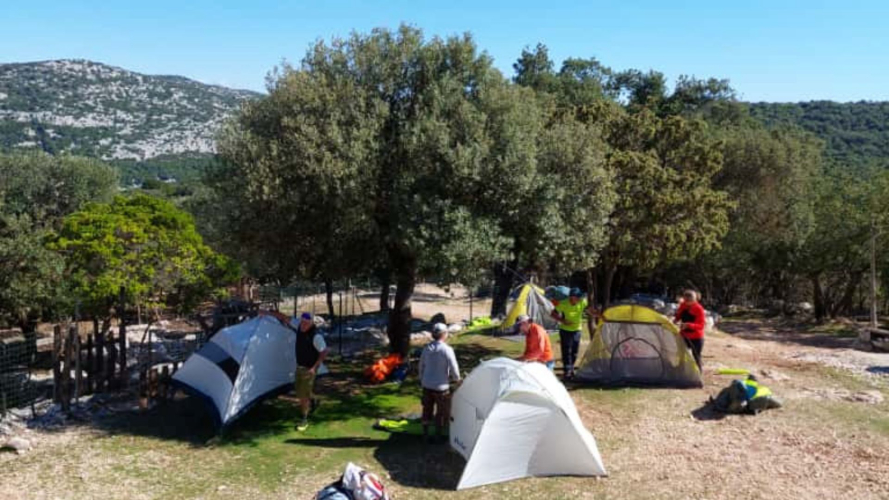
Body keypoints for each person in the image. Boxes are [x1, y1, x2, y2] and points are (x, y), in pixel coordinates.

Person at [418, 323, 461, 443]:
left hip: (427, 385)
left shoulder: (427, 348)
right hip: (441, 387)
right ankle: (438, 435)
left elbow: (421, 365)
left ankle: (425, 434)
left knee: (427, 409)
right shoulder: (447, 350)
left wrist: (421, 380)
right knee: (441, 412)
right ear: (443, 334)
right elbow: (454, 367)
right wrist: (457, 380)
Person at [291, 312, 329, 431]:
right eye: (302, 322)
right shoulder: (299, 328)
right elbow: (284, 318)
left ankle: (304, 419)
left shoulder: (316, 336)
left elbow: (324, 352)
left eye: (306, 323)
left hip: (309, 370)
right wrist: (267, 313)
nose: (303, 325)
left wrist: (314, 368)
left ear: (311, 323)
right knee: (300, 392)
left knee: (303, 396)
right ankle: (314, 399)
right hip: (299, 367)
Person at [551, 287, 588, 380]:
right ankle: (567, 371)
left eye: (579, 297)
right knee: (567, 351)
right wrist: (563, 321)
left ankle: (571, 370)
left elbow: (589, 309)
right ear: (571, 297)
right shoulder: (563, 303)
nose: (579, 299)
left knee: (575, 352)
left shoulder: (582, 302)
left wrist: (596, 313)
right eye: (577, 297)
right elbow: (553, 313)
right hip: (565, 330)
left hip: (577, 330)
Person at [674, 289, 706, 372]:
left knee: (696, 356)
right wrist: (676, 320)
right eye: (686, 301)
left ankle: (698, 373)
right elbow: (679, 315)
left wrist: (688, 325)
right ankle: (680, 370)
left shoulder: (699, 309)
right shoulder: (683, 305)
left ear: (694, 299)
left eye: (690, 301)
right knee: (681, 355)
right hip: (684, 335)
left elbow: (701, 325)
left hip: (696, 338)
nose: (687, 303)